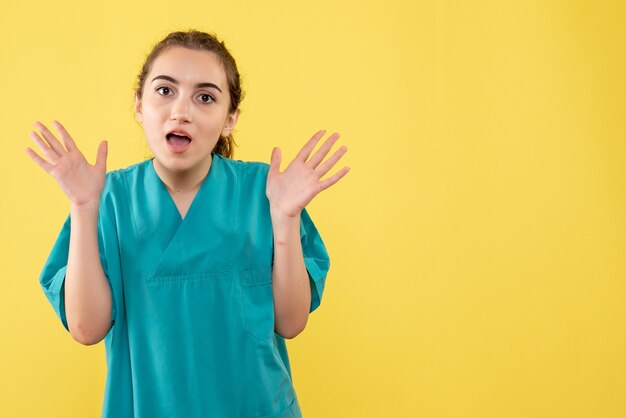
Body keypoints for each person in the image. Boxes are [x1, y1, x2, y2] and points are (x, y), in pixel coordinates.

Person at [26, 29, 349, 418]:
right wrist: (82, 206)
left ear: (230, 119)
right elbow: (86, 328)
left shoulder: (270, 194)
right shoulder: (107, 200)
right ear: (139, 106)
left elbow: (291, 322)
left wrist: (285, 220)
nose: (181, 111)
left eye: (206, 97)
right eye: (165, 91)